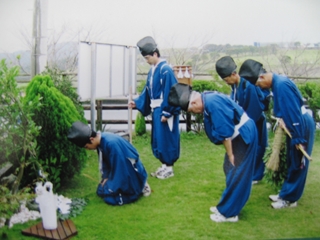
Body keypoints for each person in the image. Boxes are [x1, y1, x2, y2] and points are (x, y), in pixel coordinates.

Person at [168, 83, 258, 222]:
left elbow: (225, 133)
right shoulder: (206, 99)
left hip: (243, 135)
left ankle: (229, 214)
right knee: (229, 168)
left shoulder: (212, 102)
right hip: (238, 134)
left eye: (192, 110)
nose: (194, 112)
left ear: (193, 102)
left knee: (237, 172)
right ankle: (227, 205)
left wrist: (230, 154)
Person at [239, 59, 315, 209]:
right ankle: (285, 193)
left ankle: (290, 199)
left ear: (261, 77)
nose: (260, 87)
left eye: (258, 85)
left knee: (298, 162)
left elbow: (293, 112)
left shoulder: (281, 85)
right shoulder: (278, 82)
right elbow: (287, 110)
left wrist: (298, 137)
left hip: (300, 125)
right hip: (294, 124)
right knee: (291, 160)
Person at [128, 36, 180, 179]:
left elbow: (172, 92)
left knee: (167, 137)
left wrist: (167, 112)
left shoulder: (166, 70)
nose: (147, 61)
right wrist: (137, 102)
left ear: (155, 54)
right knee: (159, 138)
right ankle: (164, 165)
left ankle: (169, 167)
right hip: (156, 109)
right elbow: (147, 91)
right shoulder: (153, 71)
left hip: (164, 109)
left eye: (148, 57)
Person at [67, 121, 151, 206]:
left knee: (110, 198)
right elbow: (106, 163)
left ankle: (140, 186)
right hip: (123, 169)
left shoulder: (111, 143)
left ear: (91, 139)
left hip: (130, 171)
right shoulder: (102, 139)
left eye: (86, 147)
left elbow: (120, 168)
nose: (88, 149)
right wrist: (106, 177)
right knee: (101, 190)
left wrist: (110, 185)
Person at [216, 56, 270, 184]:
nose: (226, 82)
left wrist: (242, 126)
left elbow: (253, 110)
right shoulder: (236, 86)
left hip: (253, 122)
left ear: (233, 74)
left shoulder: (248, 86)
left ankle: (255, 176)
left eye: (226, 79)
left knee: (256, 148)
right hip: (243, 122)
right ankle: (248, 173)